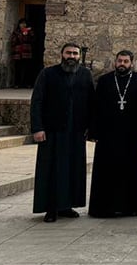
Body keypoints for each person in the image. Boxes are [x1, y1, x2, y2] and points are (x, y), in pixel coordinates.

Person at [30, 42, 94, 223]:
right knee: (52, 170)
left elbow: (91, 102)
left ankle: (67, 205)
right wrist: (37, 128)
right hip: (53, 131)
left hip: (76, 131)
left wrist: (91, 128)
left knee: (72, 169)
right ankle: (50, 208)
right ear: (62, 54)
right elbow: (37, 101)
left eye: (75, 53)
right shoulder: (48, 74)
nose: (72, 56)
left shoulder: (85, 75)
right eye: (69, 53)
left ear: (79, 56)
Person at [88, 50, 137, 218]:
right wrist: (94, 131)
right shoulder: (105, 80)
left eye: (126, 61)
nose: (122, 64)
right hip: (108, 134)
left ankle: (129, 207)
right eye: (120, 61)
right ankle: (103, 207)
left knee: (130, 171)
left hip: (131, 134)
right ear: (115, 62)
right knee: (106, 171)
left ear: (131, 63)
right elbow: (96, 107)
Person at [10, 18, 35, 88]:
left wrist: (28, 34)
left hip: (27, 53)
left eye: (24, 23)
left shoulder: (30, 32)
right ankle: (17, 84)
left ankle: (27, 84)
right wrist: (20, 35)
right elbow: (13, 42)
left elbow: (33, 40)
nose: (23, 25)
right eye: (21, 23)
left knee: (27, 69)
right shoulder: (16, 32)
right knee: (18, 69)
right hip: (17, 54)